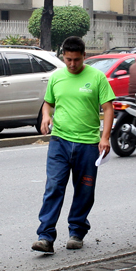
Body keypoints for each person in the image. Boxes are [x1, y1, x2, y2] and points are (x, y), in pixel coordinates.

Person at [33, 36, 115, 254]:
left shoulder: (97, 78)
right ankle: (45, 236)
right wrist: (45, 116)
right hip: (59, 142)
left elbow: (108, 108)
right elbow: (48, 103)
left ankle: (77, 232)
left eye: (76, 60)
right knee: (53, 187)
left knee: (84, 190)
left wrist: (105, 137)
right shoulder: (57, 77)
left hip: (88, 144)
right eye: (68, 59)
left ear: (84, 56)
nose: (72, 64)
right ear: (63, 57)